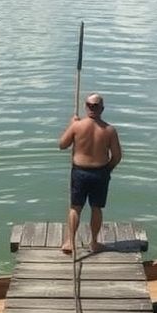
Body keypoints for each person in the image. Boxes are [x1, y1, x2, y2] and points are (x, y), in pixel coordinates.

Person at [58, 93, 122, 254]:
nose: (92, 107)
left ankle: (70, 242)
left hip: (80, 172)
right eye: (91, 105)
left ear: (87, 108)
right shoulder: (109, 130)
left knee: (75, 208)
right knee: (96, 208)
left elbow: (62, 145)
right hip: (100, 173)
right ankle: (93, 242)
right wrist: (107, 170)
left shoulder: (77, 126)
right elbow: (117, 156)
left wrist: (71, 124)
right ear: (102, 109)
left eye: (93, 105)